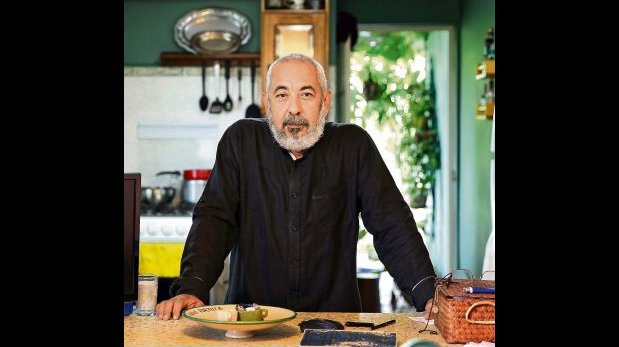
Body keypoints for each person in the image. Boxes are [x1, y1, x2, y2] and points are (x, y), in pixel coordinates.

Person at [156, 54, 436, 320]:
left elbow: (392, 225)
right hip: (250, 323)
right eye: (282, 95)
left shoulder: (354, 145)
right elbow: (214, 220)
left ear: (325, 102)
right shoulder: (240, 142)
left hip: (334, 323)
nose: (294, 108)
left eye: (306, 94)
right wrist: (192, 287)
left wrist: (426, 295)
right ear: (267, 102)